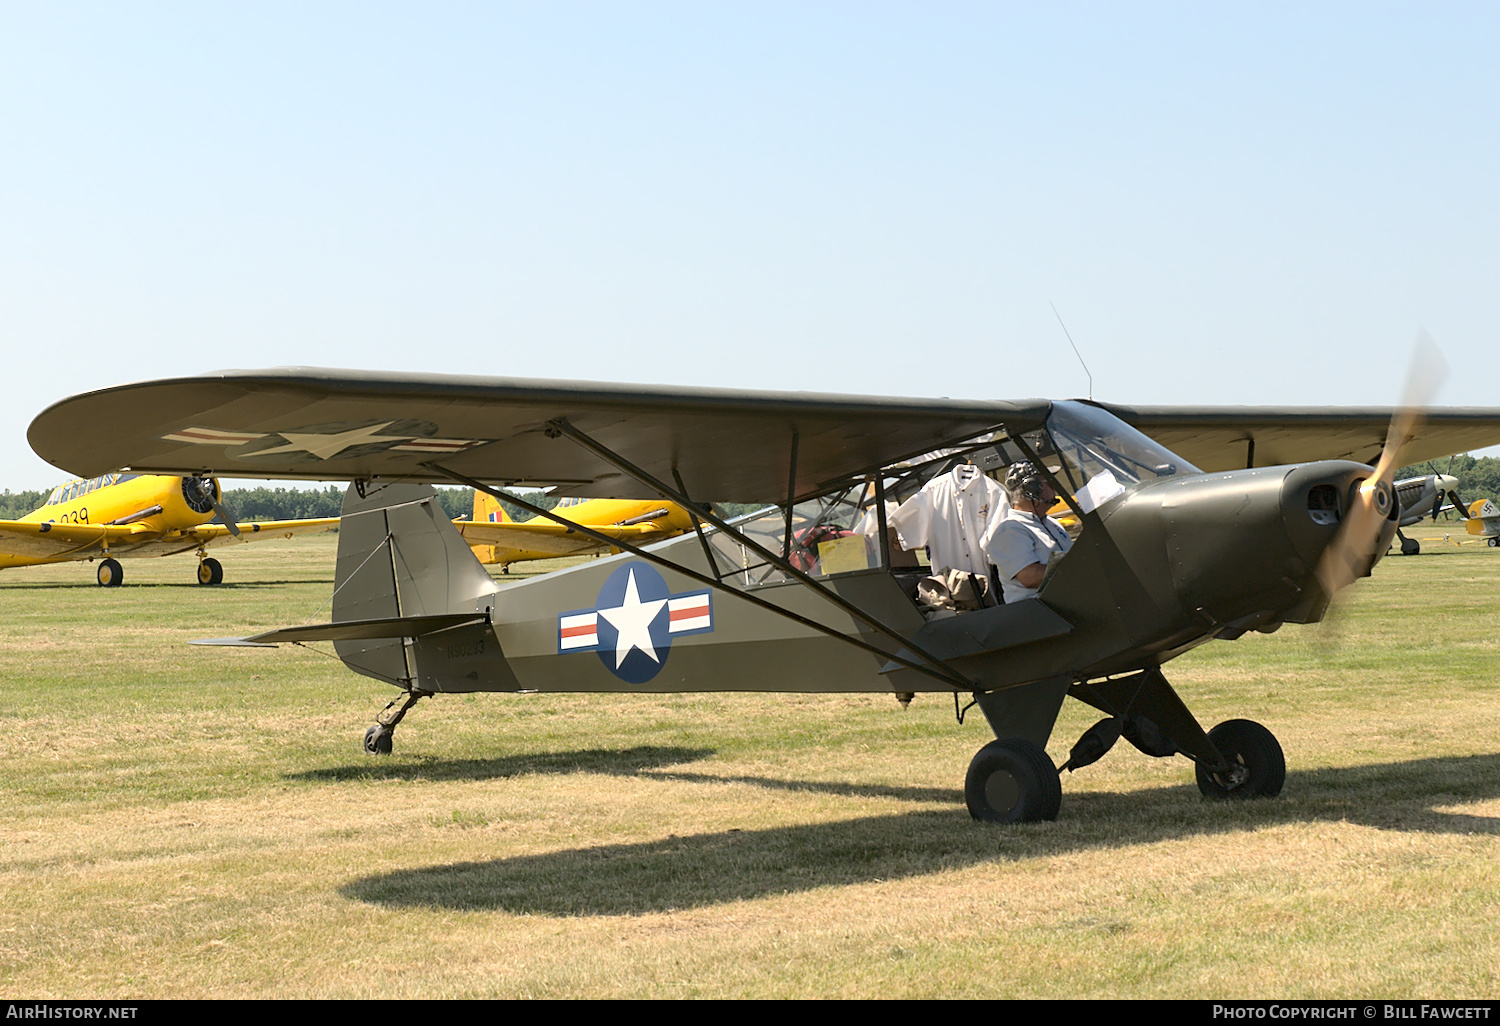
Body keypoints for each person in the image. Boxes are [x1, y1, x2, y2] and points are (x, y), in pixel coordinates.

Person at [983, 461, 1073, 603]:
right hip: (1042, 615)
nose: (1054, 486)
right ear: (1031, 489)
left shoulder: (1051, 523)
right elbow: (1029, 576)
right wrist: (1079, 568)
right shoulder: (1009, 531)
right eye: (1048, 482)